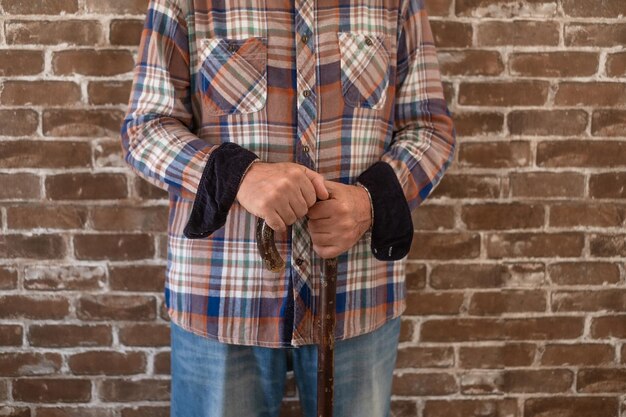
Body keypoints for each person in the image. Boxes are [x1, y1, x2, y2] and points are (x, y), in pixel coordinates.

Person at [120, 0, 456, 416]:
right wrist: (238, 176)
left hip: (357, 295)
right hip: (223, 296)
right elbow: (145, 128)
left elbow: (429, 130)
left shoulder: (397, 5)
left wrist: (368, 203)